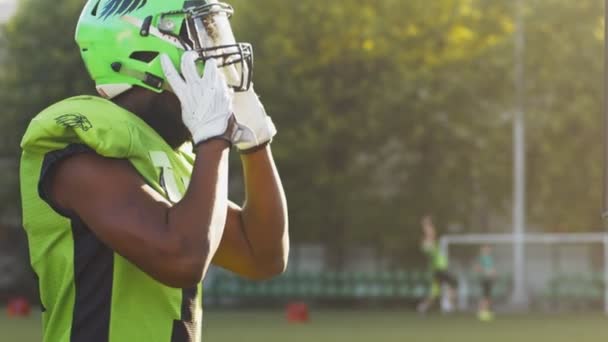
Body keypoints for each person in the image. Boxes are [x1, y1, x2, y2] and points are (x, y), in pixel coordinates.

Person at [19, 1, 289, 341]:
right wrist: (213, 139)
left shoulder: (167, 155)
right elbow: (181, 258)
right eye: (203, 35)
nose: (219, 55)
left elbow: (262, 256)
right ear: (145, 51)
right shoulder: (80, 151)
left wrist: (256, 143)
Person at [417, 215, 457, 314]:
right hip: (440, 269)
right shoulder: (429, 246)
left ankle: (423, 307)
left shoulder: (429, 246)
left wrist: (427, 224)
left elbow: (431, 235)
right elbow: (431, 234)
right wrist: (426, 224)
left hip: (436, 270)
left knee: (435, 292)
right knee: (454, 283)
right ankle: (448, 305)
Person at [474, 245, 496, 321]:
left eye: (488, 248)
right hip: (483, 279)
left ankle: (487, 311)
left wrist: (493, 274)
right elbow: (477, 268)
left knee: (488, 295)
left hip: (489, 279)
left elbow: (493, 268)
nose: (488, 250)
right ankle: (481, 311)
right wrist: (486, 271)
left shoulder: (490, 258)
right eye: (486, 249)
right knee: (484, 295)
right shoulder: (480, 258)